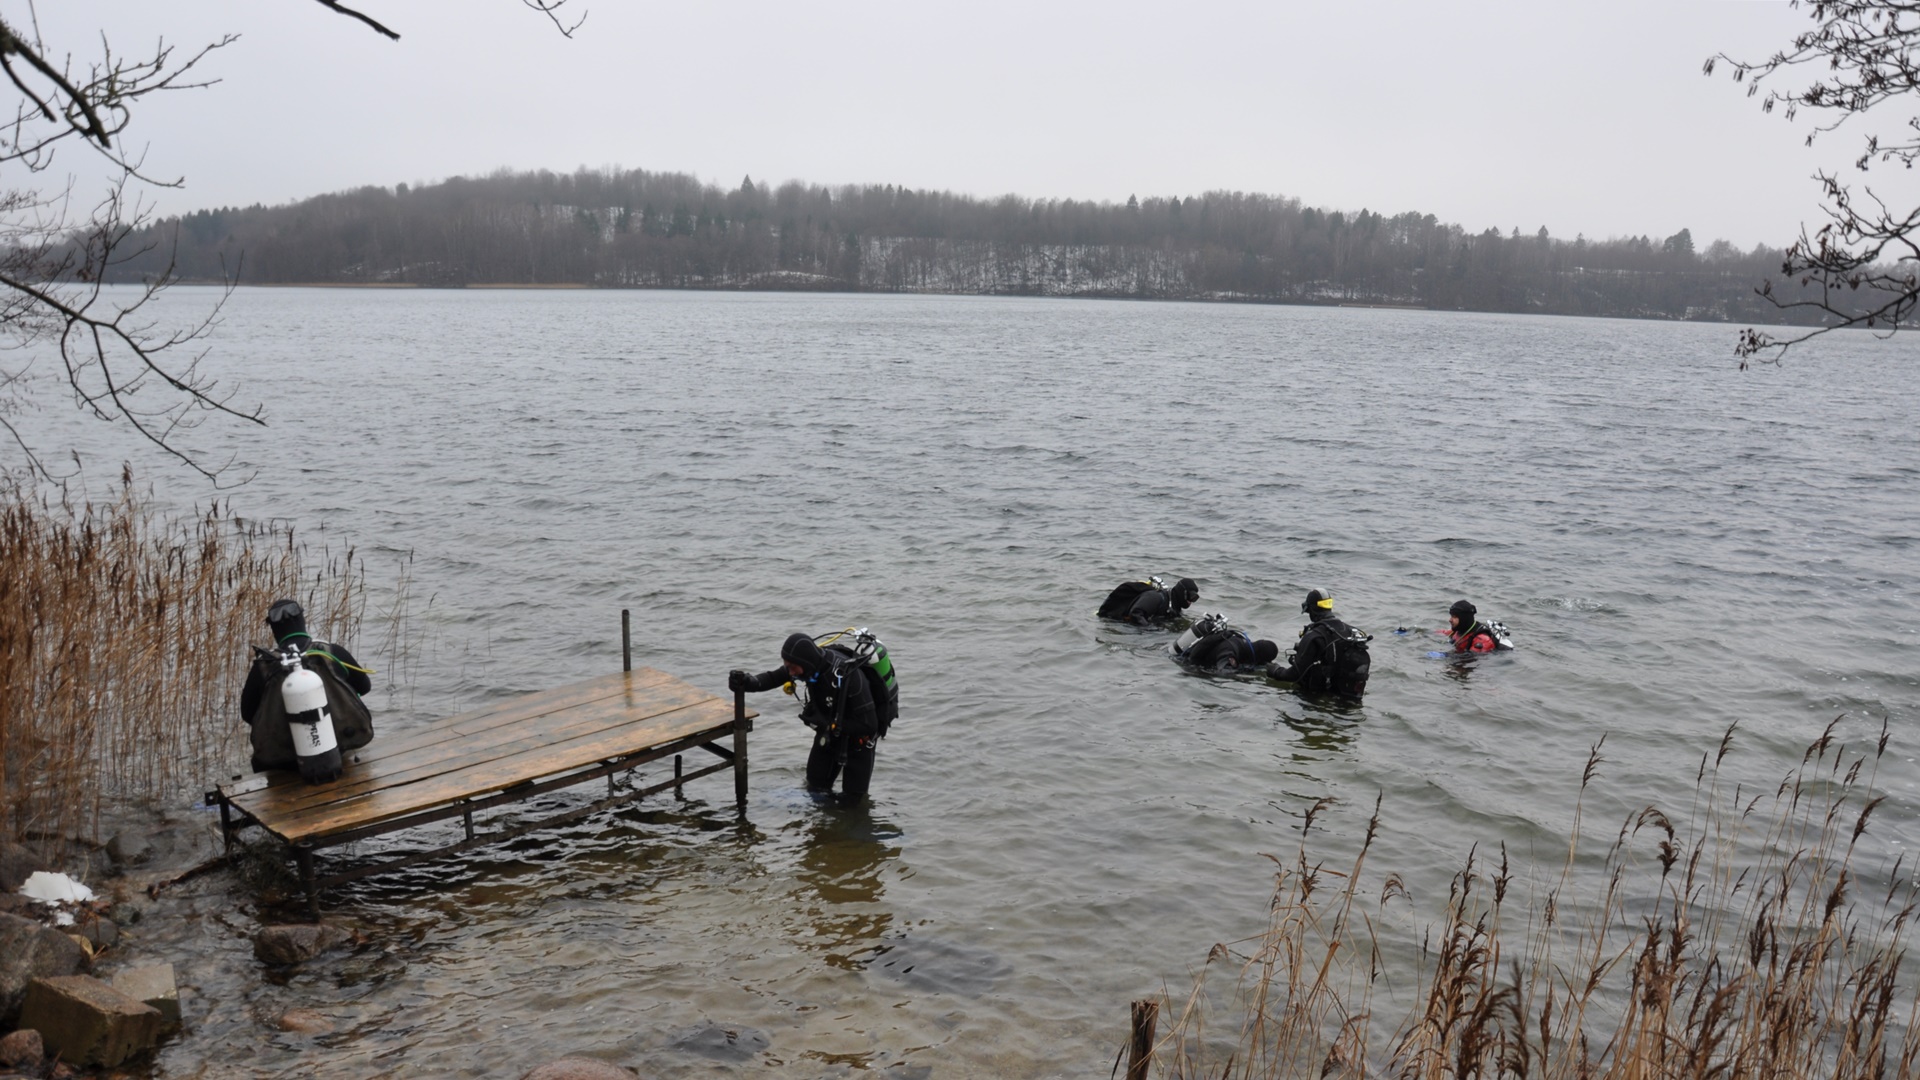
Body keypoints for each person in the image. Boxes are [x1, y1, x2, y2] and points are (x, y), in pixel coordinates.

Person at [730, 633, 879, 804]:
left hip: (859, 743)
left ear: (807, 662)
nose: (791, 673)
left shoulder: (849, 676)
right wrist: (747, 682)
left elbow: (870, 725)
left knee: (852, 804)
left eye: (793, 667)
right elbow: (772, 678)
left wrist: (830, 725)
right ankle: (821, 826)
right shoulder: (804, 666)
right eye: (788, 667)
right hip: (829, 737)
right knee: (814, 790)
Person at [239, 599, 375, 773]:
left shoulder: (263, 666)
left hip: (283, 758)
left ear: (274, 629)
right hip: (338, 748)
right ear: (302, 621)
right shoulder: (332, 652)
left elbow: (248, 714)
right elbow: (364, 687)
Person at [1266, 588, 1370, 700]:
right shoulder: (1349, 631)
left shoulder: (1314, 636)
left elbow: (1294, 675)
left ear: (1312, 609)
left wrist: (1275, 670)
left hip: (1317, 699)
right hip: (1346, 697)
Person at [1098, 576, 1200, 625]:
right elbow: (1136, 613)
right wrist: (1149, 631)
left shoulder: (1175, 607)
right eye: (1190, 596)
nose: (1190, 601)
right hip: (1114, 623)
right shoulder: (1156, 597)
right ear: (1182, 593)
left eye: (1194, 599)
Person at [1176, 627, 1280, 673]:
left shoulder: (1242, 642)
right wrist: (1244, 670)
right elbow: (1223, 672)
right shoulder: (1231, 650)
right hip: (1187, 666)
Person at [1446, 600, 1513, 653]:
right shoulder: (1459, 630)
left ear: (1464, 619)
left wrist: (1445, 656)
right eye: (1451, 616)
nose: (1450, 620)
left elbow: (1470, 662)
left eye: (1454, 617)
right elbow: (1443, 632)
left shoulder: (1481, 640)